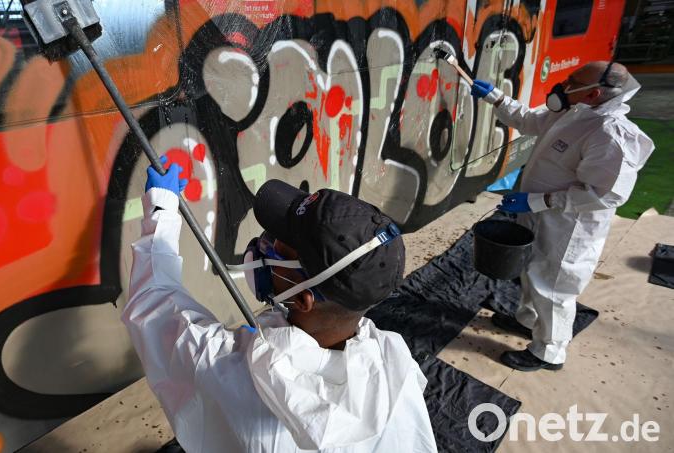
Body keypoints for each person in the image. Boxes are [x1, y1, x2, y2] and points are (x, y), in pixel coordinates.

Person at [121, 159, 438, 452]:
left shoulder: (223, 368)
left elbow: (153, 302)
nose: (264, 244)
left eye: (275, 246)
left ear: (303, 298)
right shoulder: (397, 374)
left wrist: (161, 210)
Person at [471, 61, 655, 371]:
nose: (564, 84)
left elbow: (604, 194)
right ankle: (528, 321)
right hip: (539, 212)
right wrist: (497, 99)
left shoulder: (609, 135)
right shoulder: (574, 111)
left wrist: (539, 201)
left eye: (572, 81)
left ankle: (549, 352)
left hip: (569, 226)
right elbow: (530, 121)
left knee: (554, 286)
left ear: (594, 93)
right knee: (530, 271)